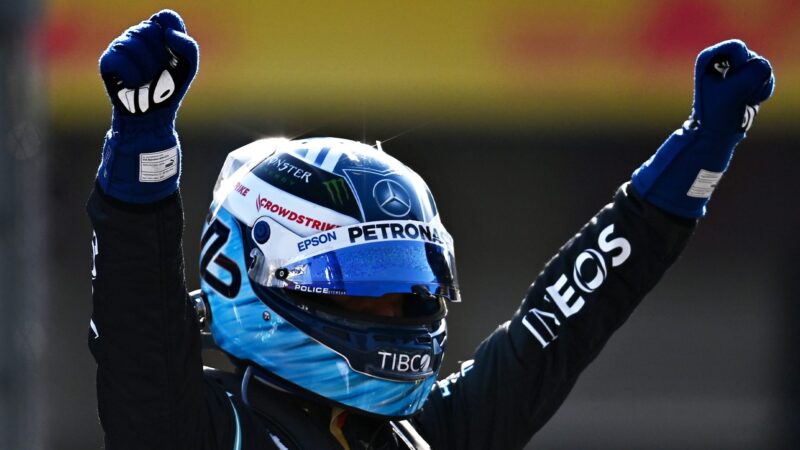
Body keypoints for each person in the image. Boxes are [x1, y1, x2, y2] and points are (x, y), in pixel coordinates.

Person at [86, 9, 775, 450]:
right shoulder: (200, 432)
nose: (399, 313)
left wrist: (698, 155)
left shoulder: (429, 434)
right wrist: (141, 152)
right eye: (359, 288)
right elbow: (136, 334)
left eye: (410, 290)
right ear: (251, 278)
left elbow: (566, 318)